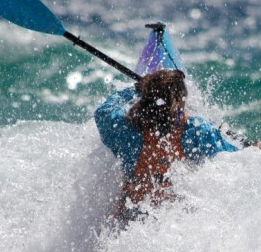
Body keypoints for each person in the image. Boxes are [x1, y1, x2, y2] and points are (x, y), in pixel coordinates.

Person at [94, 69, 239, 221]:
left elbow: (103, 111)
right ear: (181, 100)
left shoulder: (125, 127)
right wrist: (253, 149)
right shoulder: (196, 130)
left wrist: (134, 90)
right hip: (174, 219)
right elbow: (231, 158)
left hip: (129, 216)